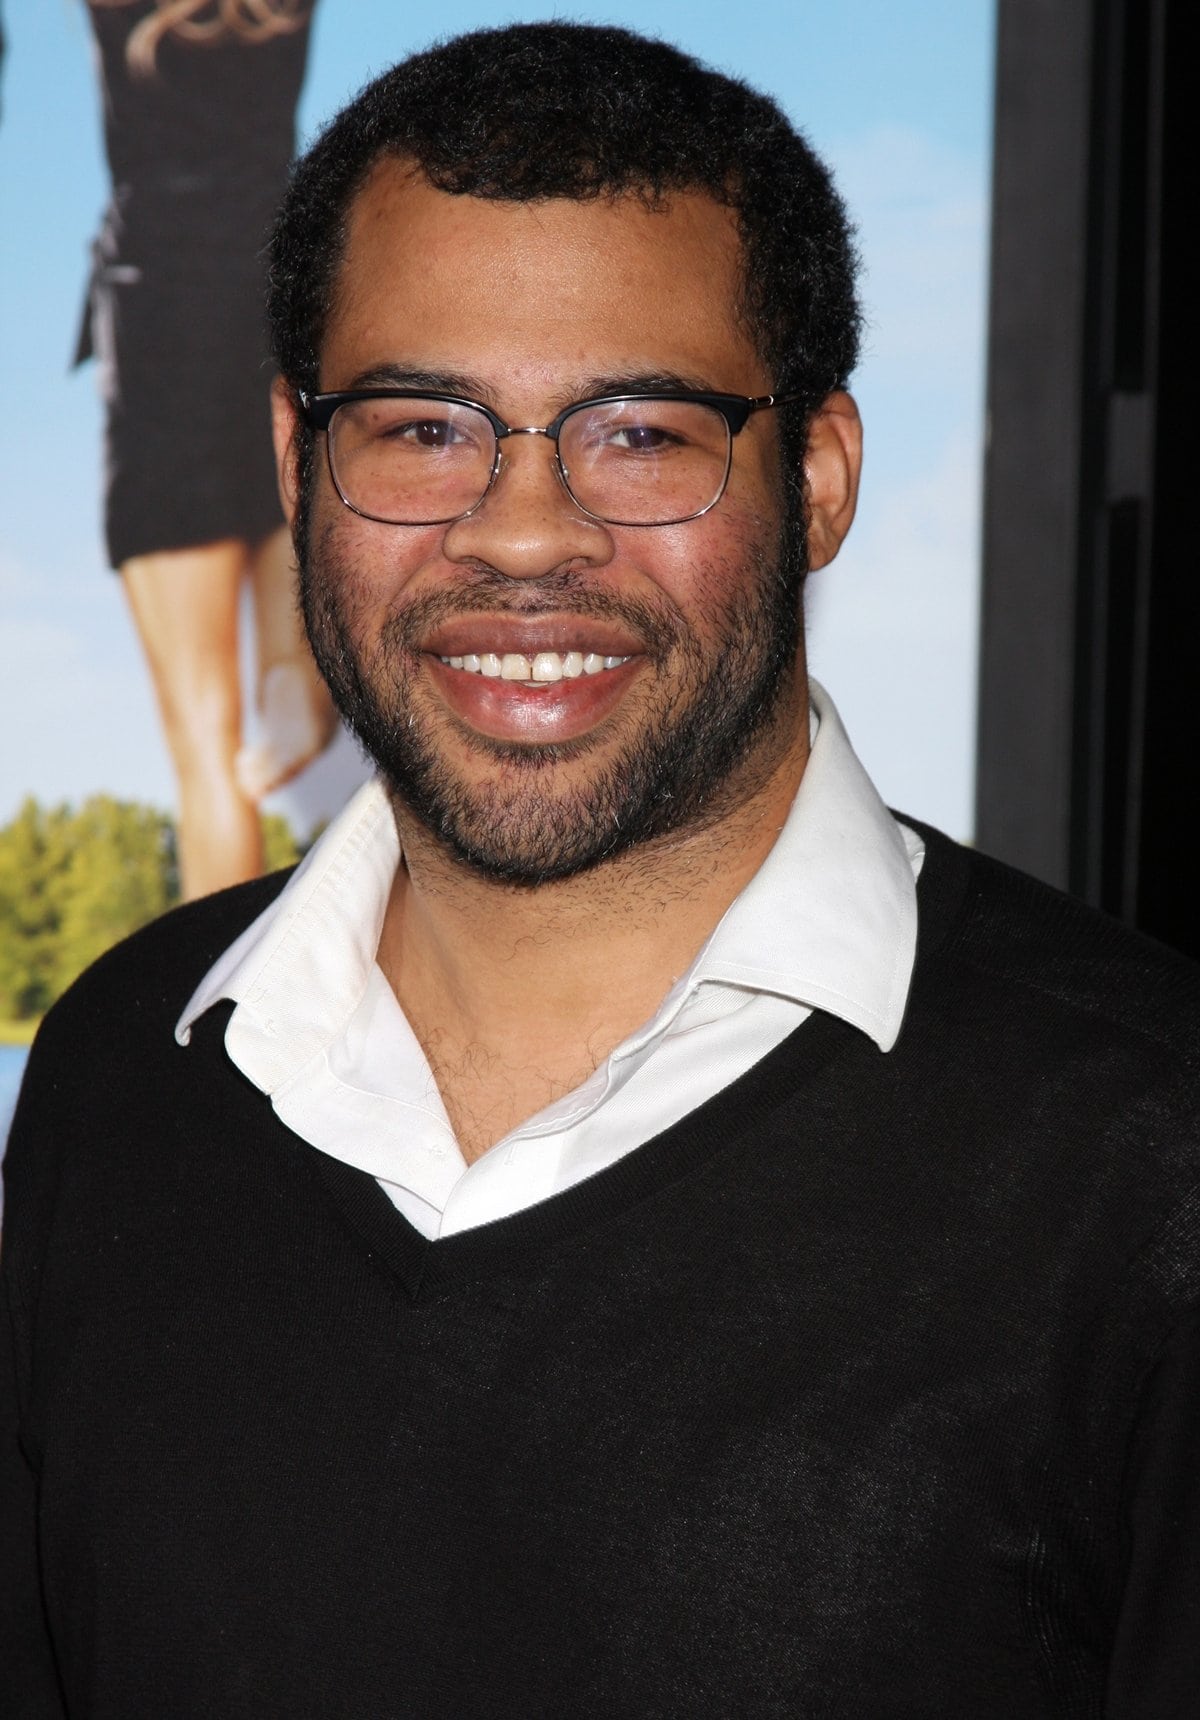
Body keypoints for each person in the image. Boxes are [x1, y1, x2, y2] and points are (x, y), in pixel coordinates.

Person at [3, 22, 1198, 1717]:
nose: (523, 531)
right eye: (422, 428)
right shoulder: (124, 1075)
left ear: (821, 475)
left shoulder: (1150, 1153)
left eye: (640, 434)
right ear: (295, 463)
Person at [79, 0, 335, 899]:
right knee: (284, 533)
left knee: (204, 746)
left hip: (159, 313)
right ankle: (292, 670)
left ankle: (207, 1031)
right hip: (276, 297)